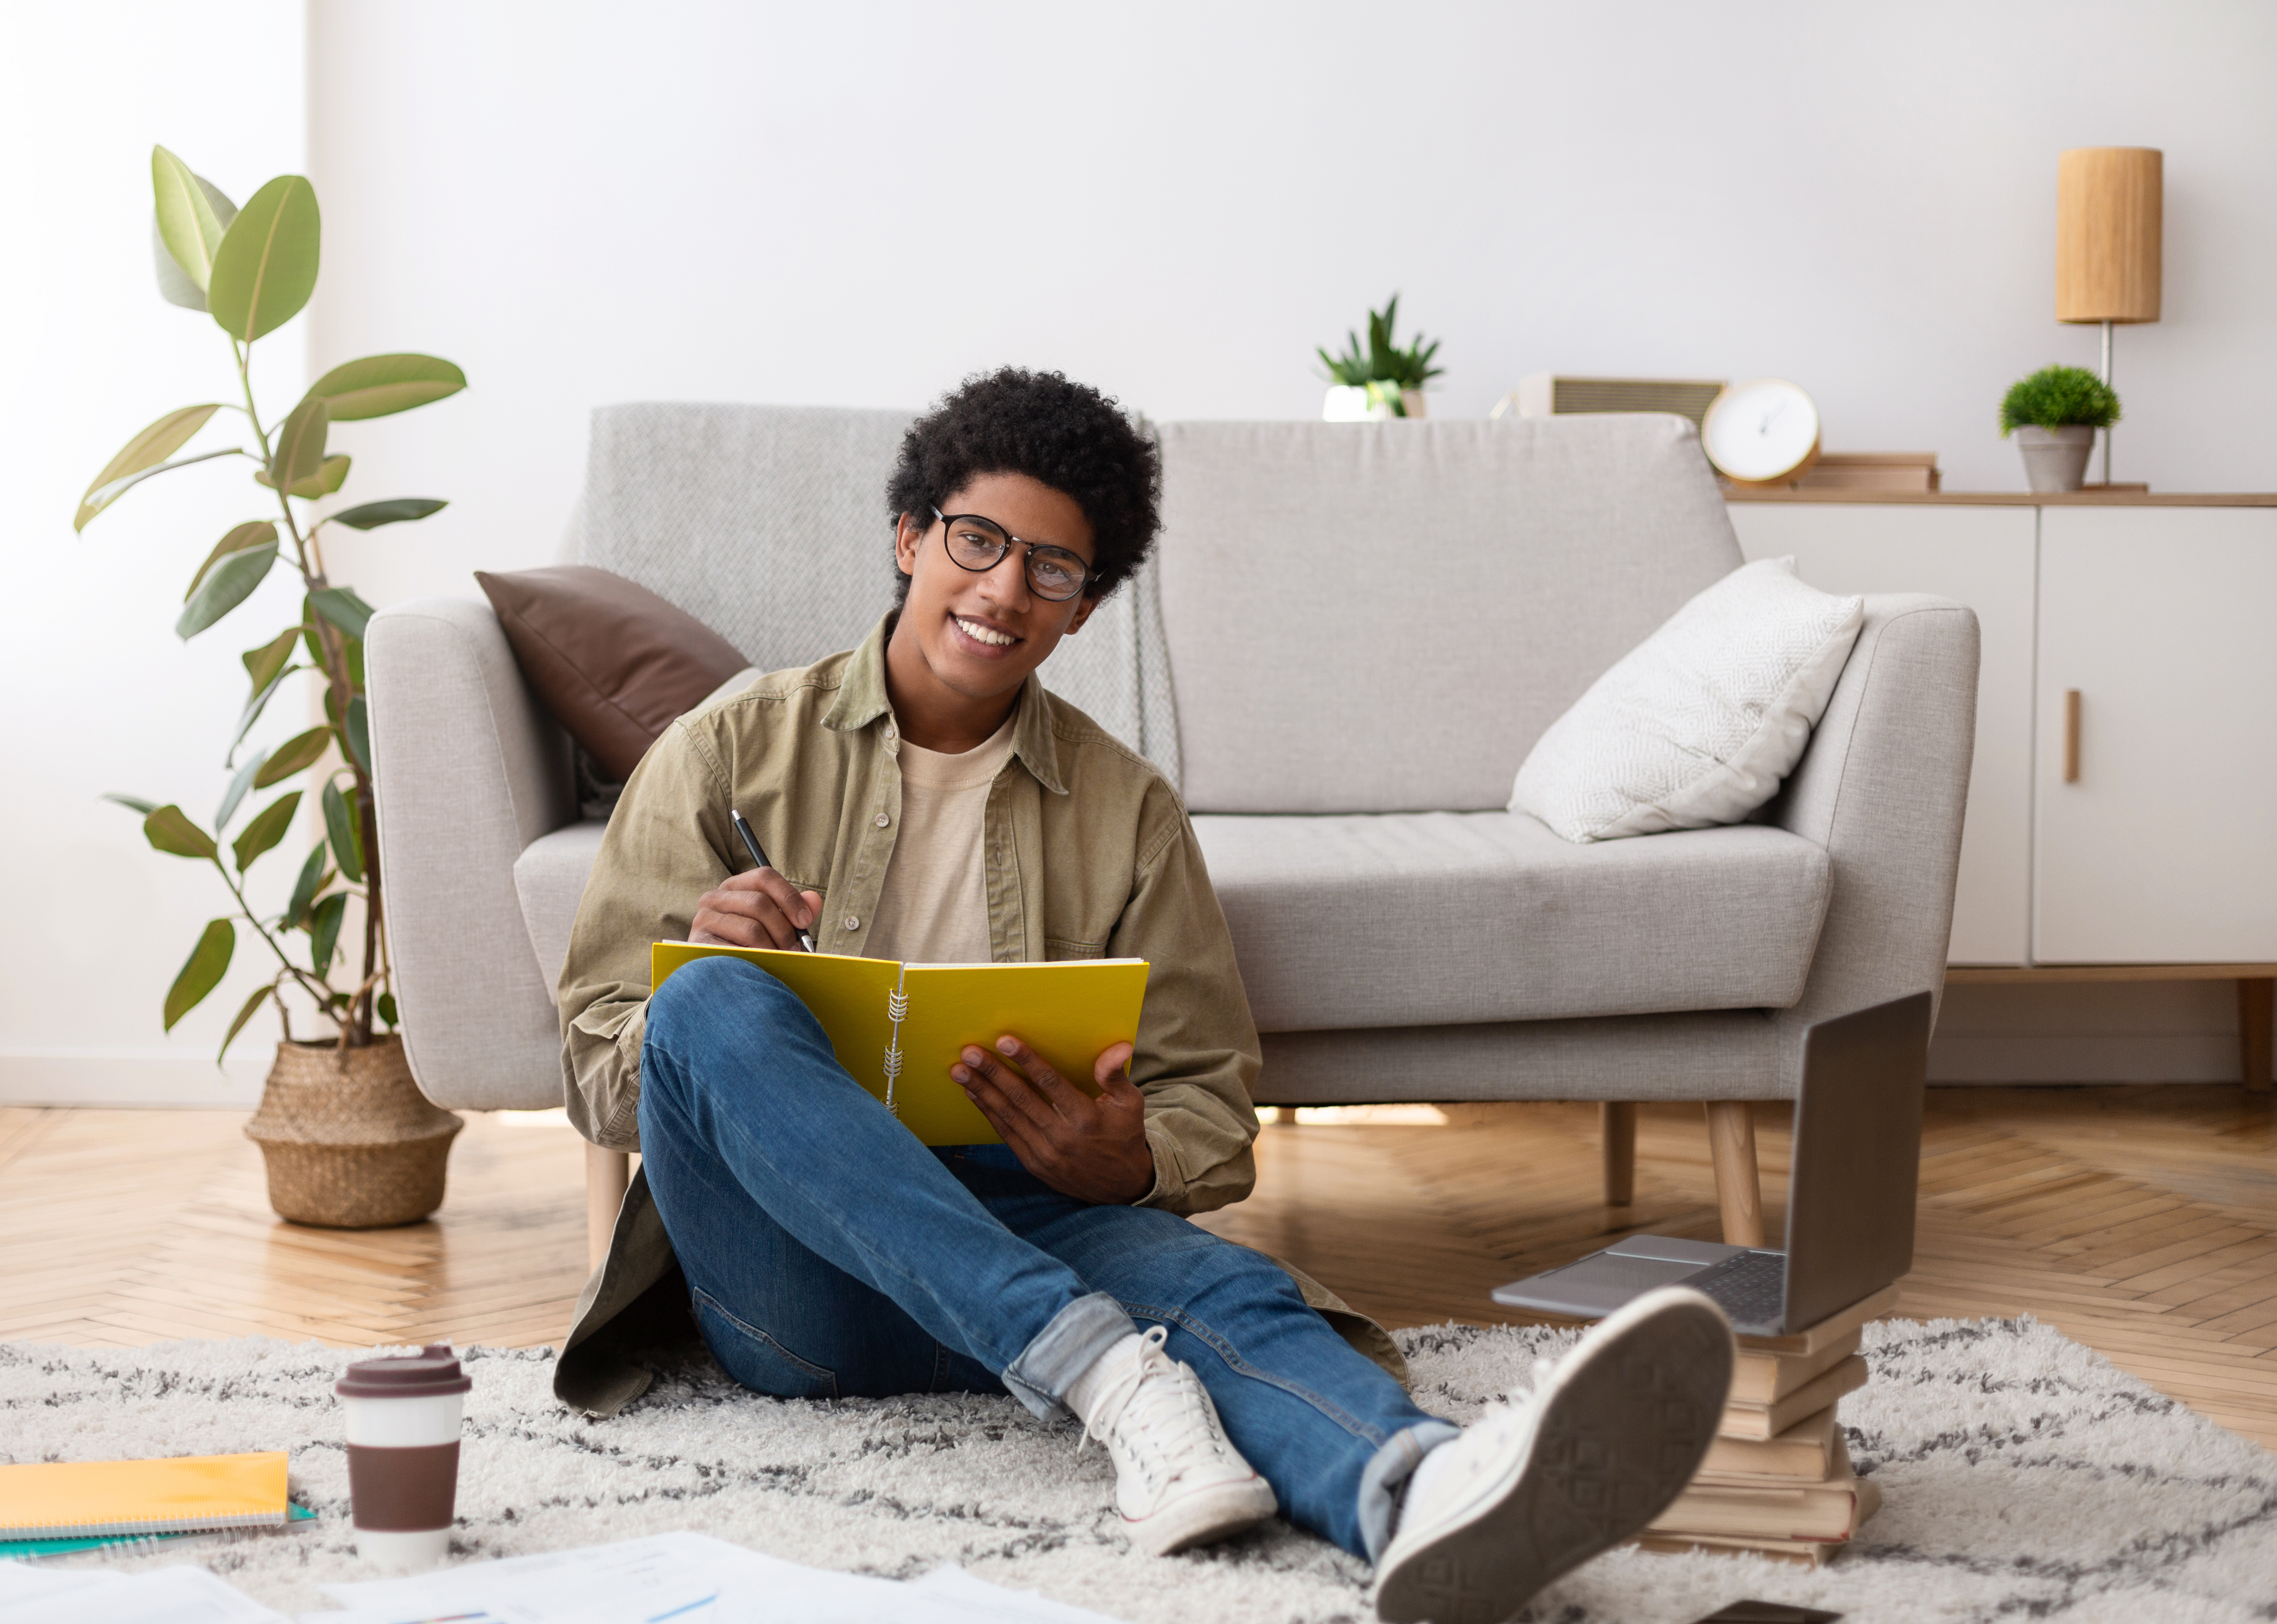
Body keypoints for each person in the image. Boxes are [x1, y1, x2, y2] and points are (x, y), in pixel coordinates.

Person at [553, 368, 1733, 1622]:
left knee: (1233, 1291)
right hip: (795, 1282)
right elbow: (594, 1064)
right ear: (911, 540)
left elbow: (1209, 1108)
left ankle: (1419, 1492)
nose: (1007, 589)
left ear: (1086, 607)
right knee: (710, 1007)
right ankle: (1103, 1363)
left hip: (1024, 1215)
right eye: (979, 542)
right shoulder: (731, 748)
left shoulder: (1128, 811)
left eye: (1054, 570)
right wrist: (706, 964)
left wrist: (1125, 1162)